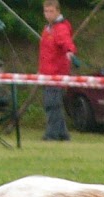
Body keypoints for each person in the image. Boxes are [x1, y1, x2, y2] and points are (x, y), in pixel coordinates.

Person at [38, 0, 74, 141]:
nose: (48, 14)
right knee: (54, 104)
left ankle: (52, 134)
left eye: (51, 11)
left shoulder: (61, 28)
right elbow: (45, 53)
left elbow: (66, 41)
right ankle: (63, 134)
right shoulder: (47, 29)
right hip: (47, 72)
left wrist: (69, 51)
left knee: (51, 103)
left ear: (58, 11)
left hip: (56, 73)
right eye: (46, 11)